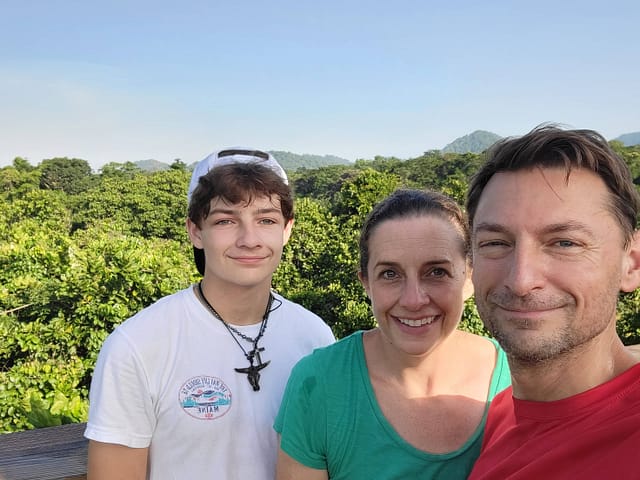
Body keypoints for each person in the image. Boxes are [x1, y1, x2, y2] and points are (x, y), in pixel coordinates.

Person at [84, 148, 335, 479]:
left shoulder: (314, 336)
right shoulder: (138, 345)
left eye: (266, 220)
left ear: (287, 229)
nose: (249, 239)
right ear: (195, 231)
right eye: (226, 221)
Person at [274, 189, 511, 479]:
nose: (413, 300)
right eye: (390, 274)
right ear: (366, 283)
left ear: (469, 278)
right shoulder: (321, 383)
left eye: (436, 272)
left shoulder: (520, 379)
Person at [465, 125, 640, 479]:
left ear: (631, 263)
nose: (521, 280)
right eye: (496, 243)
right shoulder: (500, 414)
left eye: (565, 243)